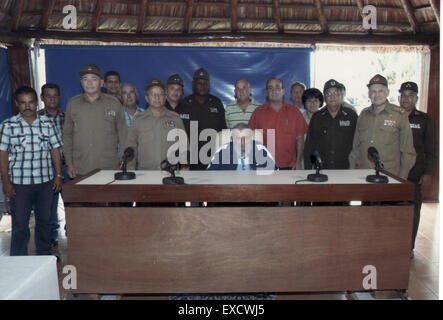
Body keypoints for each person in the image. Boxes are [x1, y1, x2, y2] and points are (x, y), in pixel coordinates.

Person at [0, 86, 63, 256]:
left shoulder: (47, 124)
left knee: (44, 221)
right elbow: (3, 154)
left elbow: (55, 150)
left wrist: (58, 175)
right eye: (23, 103)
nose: (27, 106)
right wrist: (5, 181)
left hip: (45, 182)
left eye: (31, 102)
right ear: (16, 104)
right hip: (20, 184)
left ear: (37, 103)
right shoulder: (8, 126)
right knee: (20, 224)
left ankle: (44, 255)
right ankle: (19, 261)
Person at [63, 64, 128, 178]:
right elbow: (67, 136)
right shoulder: (73, 104)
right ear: (81, 83)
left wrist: (122, 161)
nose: (89, 83)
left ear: (101, 83)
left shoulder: (114, 103)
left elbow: (123, 135)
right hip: (80, 168)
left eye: (94, 79)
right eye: (85, 79)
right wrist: (69, 163)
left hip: (108, 168)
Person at [348, 74, 416, 179]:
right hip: (361, 174)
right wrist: (351, 173)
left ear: (387, 93)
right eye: (373, 91)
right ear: (369, 94)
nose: (377, 95)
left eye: (380, 91)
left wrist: (401, 179)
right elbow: (355, 147)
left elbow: (408, 152)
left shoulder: (399, 115)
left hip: (389, 176)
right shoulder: (363, 114)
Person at [398, 81, 437, 255]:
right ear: (399, 97)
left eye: (410, 95)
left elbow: (431, 149)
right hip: (393, 173)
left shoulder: (425, 120)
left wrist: (428, 173)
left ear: (416, 98)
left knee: (412, 211)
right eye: (404, 95)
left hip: (415, 173)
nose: (406, 99)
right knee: (393, 210)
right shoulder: (392, 116)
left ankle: (409, 247)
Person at [124, 79, 187, 170]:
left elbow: (184, 148)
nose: (157, 97)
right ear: (146, 98)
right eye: (153, 94)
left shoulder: (175, 118)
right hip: (146, 175)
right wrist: (130, 174)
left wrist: (184, 173)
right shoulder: (138, 119)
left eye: (160, 94)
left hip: (170, 174)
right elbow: (131, 148)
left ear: (165, 97)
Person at [249, 77, 307, 170]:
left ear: (283, 91)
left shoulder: (295, 112)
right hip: (263, 165)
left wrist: (299, 162)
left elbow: (300, 139)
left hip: (289, 166)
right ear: (267, 92)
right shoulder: (258, 113)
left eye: (277, 87)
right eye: (270, 88)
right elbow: (250, 138)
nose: (274, 91)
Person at [304, 80, 358, 169]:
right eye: (328, 93)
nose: (332, 96)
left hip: (346, 168)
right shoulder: (317, 117)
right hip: (322, 169)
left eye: (336, 93)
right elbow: (309, 146)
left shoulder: (351, 116)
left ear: (341, 96)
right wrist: (309, 168)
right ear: (324, 97)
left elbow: (358, 143)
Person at [180, 68, 227, 170]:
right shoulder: (184, 103)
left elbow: (223, 131)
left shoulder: (216, 103)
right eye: (199, 83)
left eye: (205, 83)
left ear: (209, 85)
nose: (202, 86)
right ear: (193, 84)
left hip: (212, 157)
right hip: (189, 159)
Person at [39, 83, 65, 247]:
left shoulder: (68, 116)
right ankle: (52, 236)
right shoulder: (36, 119)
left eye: (55, 95)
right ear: (42, 98)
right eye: (48, 96)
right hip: (47, 169)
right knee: (50, 205)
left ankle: (74, 231)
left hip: (68, 166)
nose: (52, 99)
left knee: (72, 203)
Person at [207, 123, 278, 171]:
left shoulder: (260, 149)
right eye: (238, 138)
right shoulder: (223, 151)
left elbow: (275, 171)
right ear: (232, 139)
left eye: (246, 138)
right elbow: (210, 174)